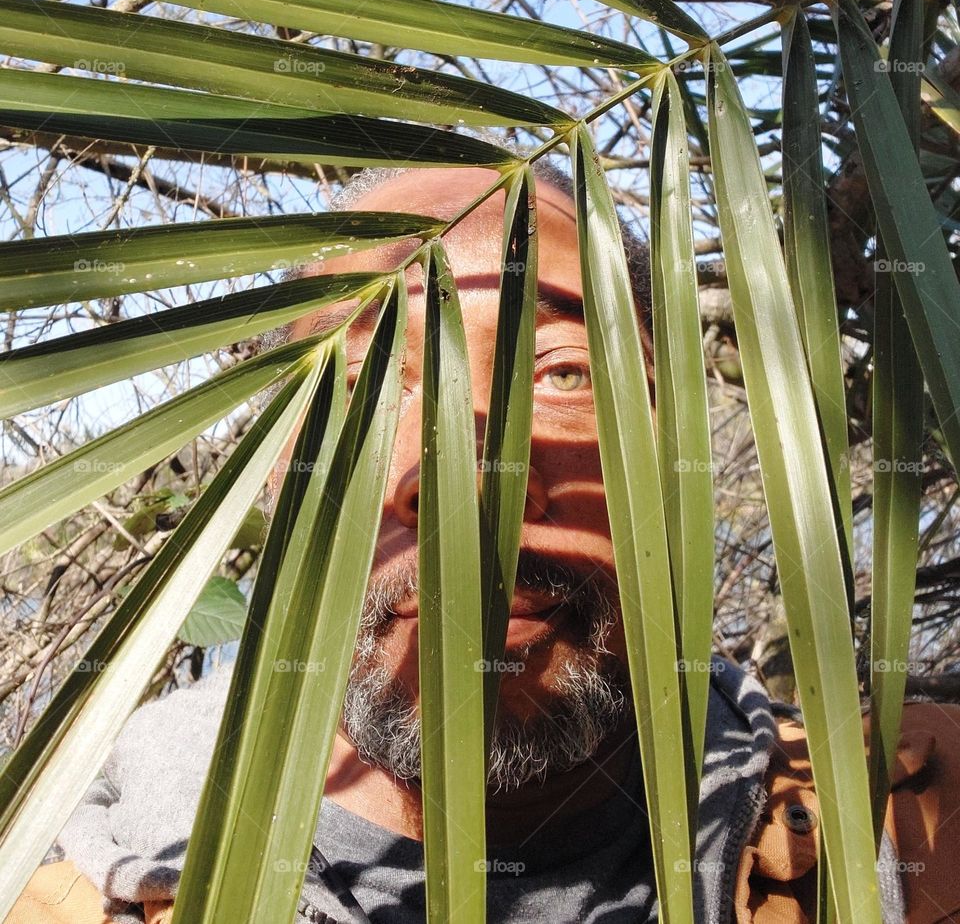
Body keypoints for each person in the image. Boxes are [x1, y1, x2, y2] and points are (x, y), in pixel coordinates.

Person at [8, 166, 960, 924]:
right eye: (366, 386)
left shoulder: (924, 825)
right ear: (277, 475)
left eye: (562, 371)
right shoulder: (53, 888)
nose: (466, 477)